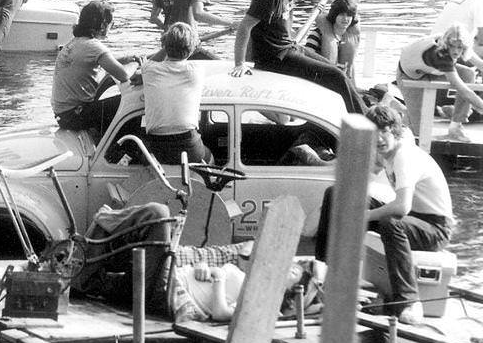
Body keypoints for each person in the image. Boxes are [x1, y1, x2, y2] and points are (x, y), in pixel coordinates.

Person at [314, 105, 453, 325]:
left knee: (391, 222)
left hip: (435, 228)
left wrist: (365, 215)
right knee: (336, 193)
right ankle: (324, 273)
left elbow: (402, 208)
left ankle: (408, 301)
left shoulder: (404, 156)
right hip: (413, 219)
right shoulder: (383, 153)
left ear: (395, 131)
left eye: (384, 131)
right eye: (374, 132)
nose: (379, 138)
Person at [72, 202, 320, 322]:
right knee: (143, 232)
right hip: (171, 278)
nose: (287, 267)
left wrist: (219, 279)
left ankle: (97, 232)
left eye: (293, 272)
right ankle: (87, 273)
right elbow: (239, 257)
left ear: (291, 296)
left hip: (169, 291)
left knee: (158, 215)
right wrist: (206, 269)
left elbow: (222, 312)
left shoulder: (263, 303)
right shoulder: (253, 277)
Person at [231, 0, 367, 114]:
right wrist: (239, 64)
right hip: (276, 58)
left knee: (339, 71)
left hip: (289, 48)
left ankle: (363, 112)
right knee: (336, 76)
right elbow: (245, 27)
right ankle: (368, 120)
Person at [51, 0, 136, 132]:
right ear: (102, 25)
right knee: (132, 102)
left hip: (63, 115)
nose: (111, 27)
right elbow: (124, 75)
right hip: (75, 116)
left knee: (108, 82)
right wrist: (136, 64)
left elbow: (94, 63)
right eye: (111, 23)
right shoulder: (94, 47)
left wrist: (124, 59)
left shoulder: (74, 43)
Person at [141, 23, 213, 164]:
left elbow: (152, 60)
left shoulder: (149, 69)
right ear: (191, 49)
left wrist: (168, 45)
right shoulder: (197, 70)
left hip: (157, 146)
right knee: (209, 158)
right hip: (188, 143)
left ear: (165, 45)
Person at [398, 24, 483, 142]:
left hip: (432, 69)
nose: (456, 51)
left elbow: (480, 65)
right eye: (452, 47)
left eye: (459, 47)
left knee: (468, 74)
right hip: (411, 76)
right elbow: (463, 90)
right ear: (446, 44)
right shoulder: (441, 54)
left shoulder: (459, 44)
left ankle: (455, 127)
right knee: (421, 134)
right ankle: (402, 112)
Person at [304, 0, 360, 79]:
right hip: (320, 78)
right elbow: (306, 59)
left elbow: (350, 65)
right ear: (334, 15)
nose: (345, 19)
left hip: (342, 80)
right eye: (341, 14)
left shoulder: (350, 37)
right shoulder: (317, 34)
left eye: (349, 15)